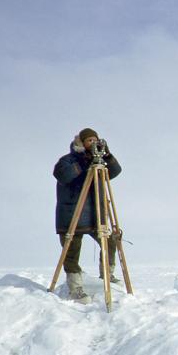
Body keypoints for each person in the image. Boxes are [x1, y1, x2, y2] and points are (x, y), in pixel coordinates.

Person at [53, 128, 122, 303]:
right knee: (72, 251)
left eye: (95, 140)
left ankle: (107, 274)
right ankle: (75, 287)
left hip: (95, 215)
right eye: (90, 141)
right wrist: (84, 163)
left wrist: (107, 156)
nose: (93, 144)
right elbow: (62, 174)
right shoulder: (68, 160)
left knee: (110, 241)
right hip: (72, 215)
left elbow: (115, 171)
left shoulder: (97, 162)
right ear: (81, 143)